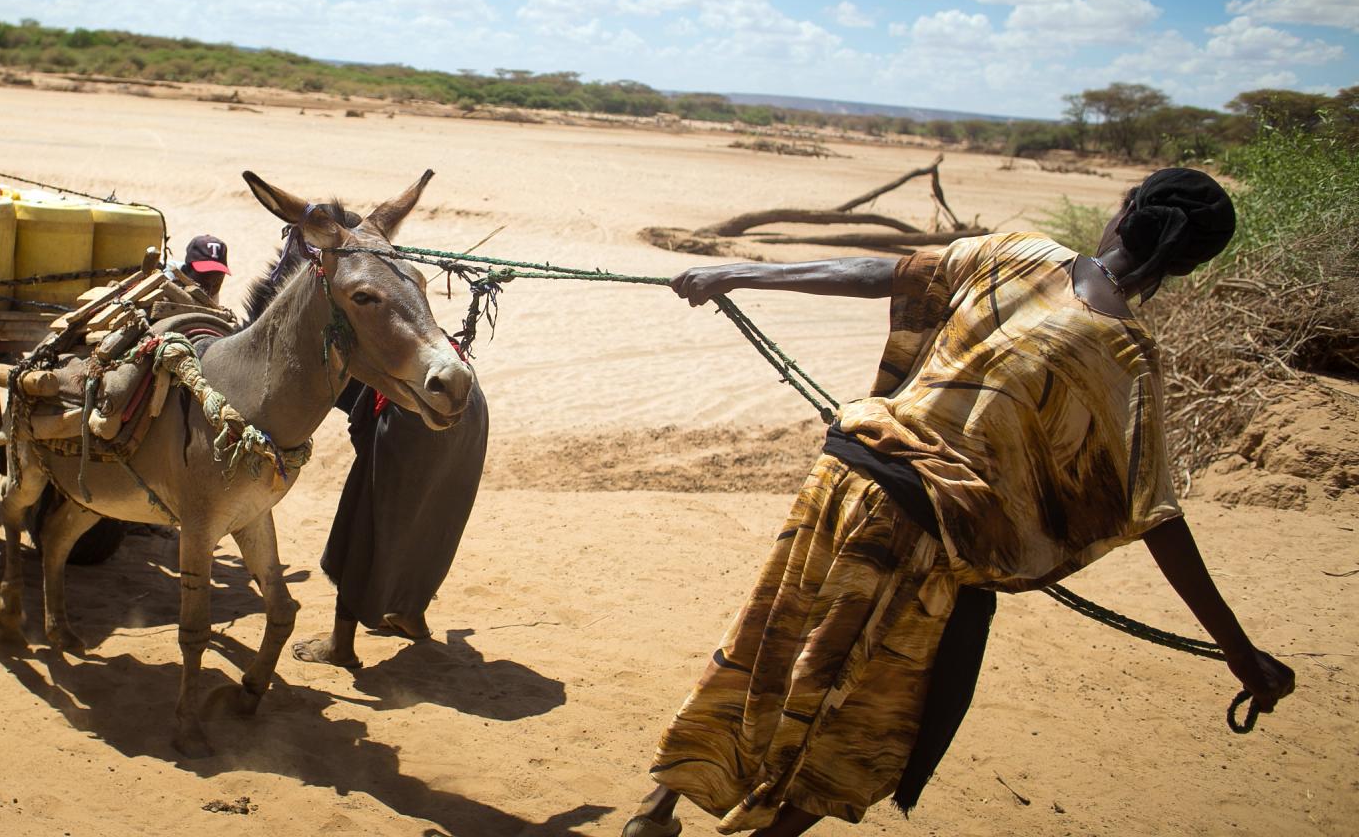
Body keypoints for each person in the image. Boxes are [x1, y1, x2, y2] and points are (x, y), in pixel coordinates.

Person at [623, 168, 1296, 837]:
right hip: (918, 542)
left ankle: (658, 808)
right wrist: (1239, 652)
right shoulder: (1127, 356)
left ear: (1122, 214)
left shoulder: (1016, 252)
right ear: (1190, 266)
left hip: (845, 485)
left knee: (764, 642)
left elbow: (874, 273)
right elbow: (1154, 513)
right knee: (871, 718)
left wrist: (736, 273)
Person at [292, 350, 489, 669]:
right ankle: (409, 615)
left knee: (362, 520)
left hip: (412, 411)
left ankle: (341, 645)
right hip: (469, 403)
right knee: (430, 516)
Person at [167, 234, 231, 304]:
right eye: (205, 276)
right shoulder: (167, 277)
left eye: (217, 276)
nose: (210, 286)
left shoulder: (213, 289)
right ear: (188, 268)